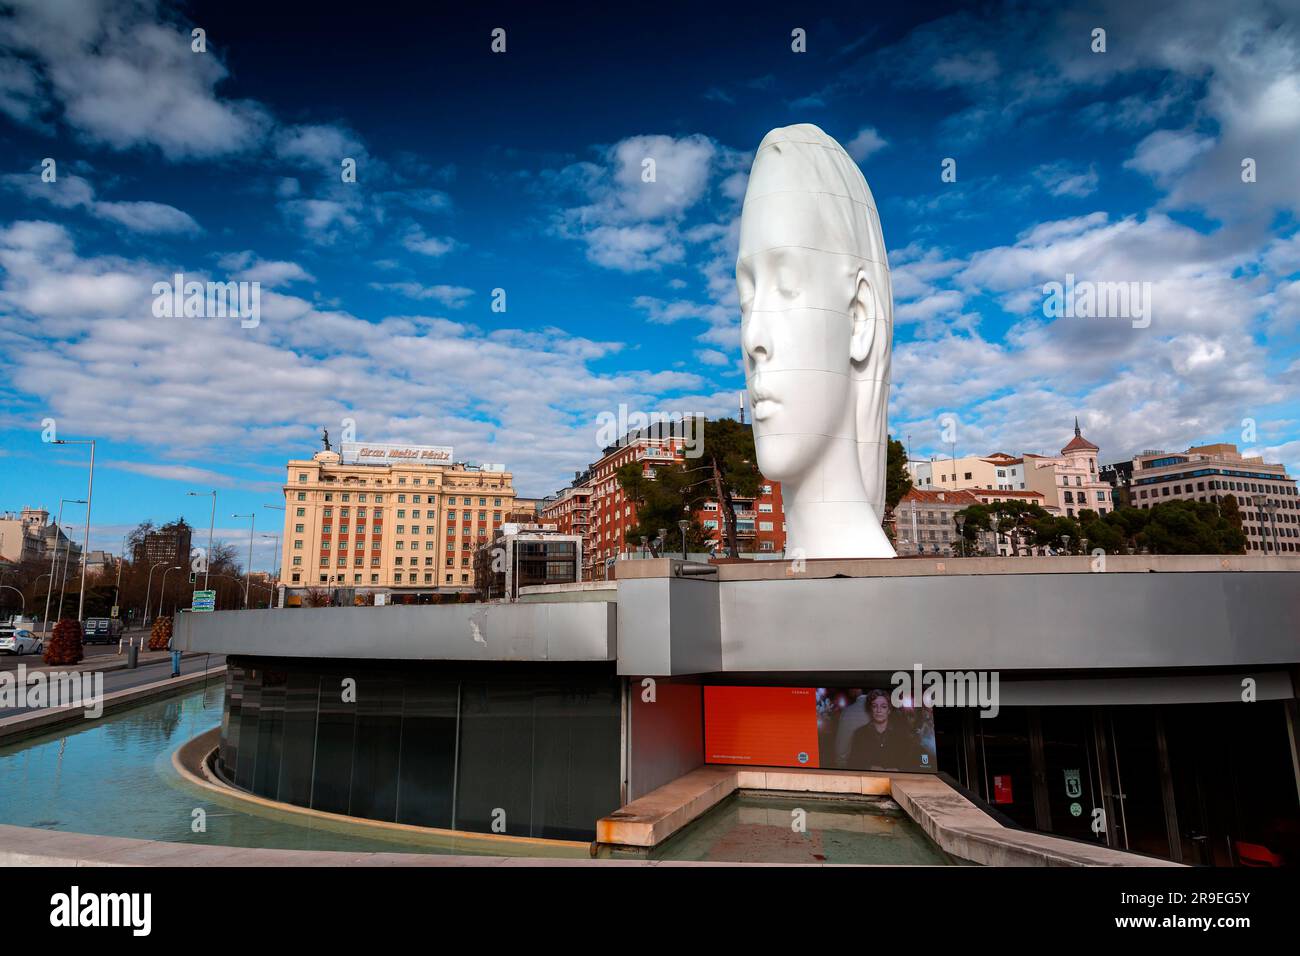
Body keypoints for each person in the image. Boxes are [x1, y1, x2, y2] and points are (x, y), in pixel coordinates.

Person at [847, 690, 919, 770]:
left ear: (889, 710)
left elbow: (911, 764)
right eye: (874, 706)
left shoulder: (901, 734)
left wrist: (898, 770)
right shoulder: (859, 734)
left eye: (883, 706)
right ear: (870, 709)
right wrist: (868, 768)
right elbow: (852, 764)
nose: (879, 710)